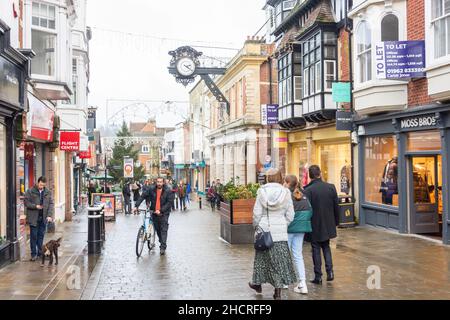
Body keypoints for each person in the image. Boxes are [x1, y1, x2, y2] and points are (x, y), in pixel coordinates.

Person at [248, 168, 297, 300]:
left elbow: (257, 213)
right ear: (280, 177)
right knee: (279, 262)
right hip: (280, 234)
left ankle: (257, 284)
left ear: (268, 178)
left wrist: (256, 226)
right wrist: (283, 224)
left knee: (261, 261)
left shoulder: (261, 192)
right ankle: (278, 292)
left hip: (264, 232)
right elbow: (291, 215)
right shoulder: (286, 193)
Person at [303, 165, 339, 285]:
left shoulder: (308, 190)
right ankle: (330, 272)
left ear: (310, 176)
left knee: (316, 249)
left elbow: (306, 210)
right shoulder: (330, 187)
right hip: (328, 223)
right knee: (326, 246)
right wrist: (336, 222)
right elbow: (336, 207)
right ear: (320, 174)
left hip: (314, 224)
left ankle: (318, 276)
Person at [284, 175, 312, 295]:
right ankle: (302, 284)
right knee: (298, 255)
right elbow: (310, 211)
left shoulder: (287, 196)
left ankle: (284, 281)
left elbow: (285, 212)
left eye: (284, 182)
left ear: (288, 183)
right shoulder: (304, 195)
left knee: (285, 254)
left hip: (289, 228)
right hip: (301, 229)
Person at [133, 177, 174, 255]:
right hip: (154, 212)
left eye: (160, 182)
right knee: (157, 229)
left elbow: (169, 203)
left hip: (164, 213)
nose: (159, 183)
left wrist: (161, 210)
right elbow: (143, 196)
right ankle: (162, 241)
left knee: (163, 229)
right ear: (156, 182)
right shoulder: (151, 189)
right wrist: (136, 206)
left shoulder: (168, 191)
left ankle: (162, 247)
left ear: (163, 183)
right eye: (158, 182)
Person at [24, 176, 54, 261]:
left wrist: (49, 215)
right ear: (37, 182)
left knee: (41, 236)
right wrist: (35, 206)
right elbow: (26, 202)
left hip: (43, 218)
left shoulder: (48, 192)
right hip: (33, 218)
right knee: (33, 237)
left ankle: (40, 253)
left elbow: (51, 204)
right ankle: (33, 255)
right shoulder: (30, 191)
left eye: (43, 185)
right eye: (40, 185)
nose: (41, 187)